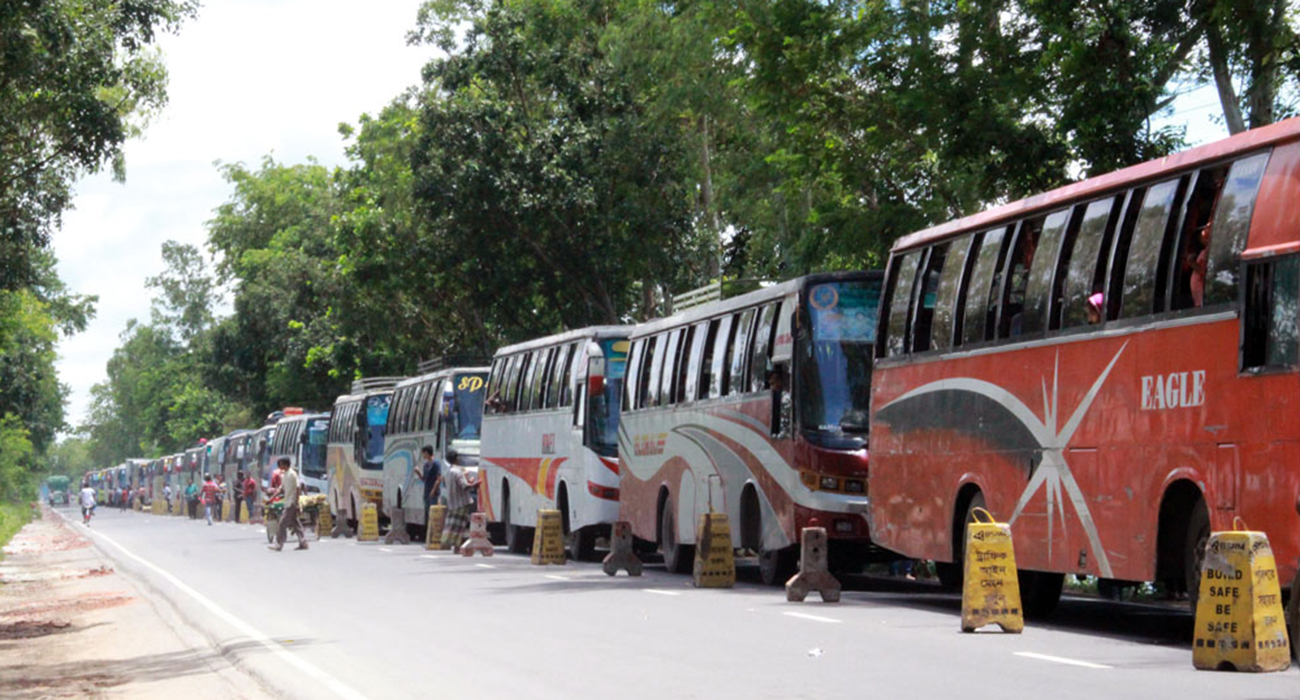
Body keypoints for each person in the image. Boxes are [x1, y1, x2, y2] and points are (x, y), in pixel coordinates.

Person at [439, 450, 479, 553]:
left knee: (452, 525)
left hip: (452, 502)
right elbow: (464, 486)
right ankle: (457, 548)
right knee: (460, 526)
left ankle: (449, 544)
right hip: (461, 502)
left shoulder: (448, 472)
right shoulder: (458, 472)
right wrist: (475, 484)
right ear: (456, 459)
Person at [267, 458, 308, 551]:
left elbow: (298, 488)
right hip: (288, 502)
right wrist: (272, 498)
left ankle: (279, 544)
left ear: (285, 464)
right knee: (296, 524)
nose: (279, 466)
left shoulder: (292, 474)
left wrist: (297, 502)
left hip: (291, 502)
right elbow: (281, 489)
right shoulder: (285, 475)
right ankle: (303, 542)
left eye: (281, 464)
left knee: (281, 523)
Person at [420, 446, 441, 510]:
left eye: (423, 453)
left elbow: (438, 479)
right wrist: (418, 473)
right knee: (428, 511)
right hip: (426, 492)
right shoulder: (425, 465)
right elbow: (424, 479)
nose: (423, 455)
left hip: (433, 493)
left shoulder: (436, 464)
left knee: (433, 511)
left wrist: (433, 491)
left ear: (427, 453)